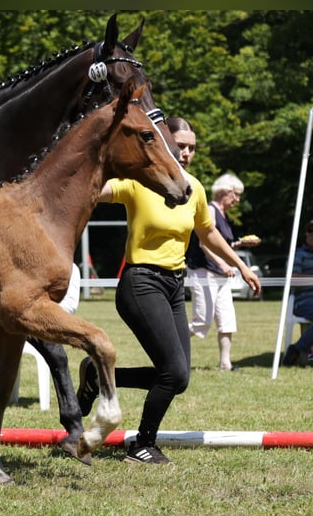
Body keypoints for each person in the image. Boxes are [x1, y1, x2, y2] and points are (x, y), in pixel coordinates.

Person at [76, 116, 261, 465]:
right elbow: (88, 190)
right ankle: (143, 445)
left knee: (179, 377)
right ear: (165, 144)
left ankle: (95, 376)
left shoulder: (194, 188)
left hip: (176, 285)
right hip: (140, 282)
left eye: (192, 146)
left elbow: (207, 234)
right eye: (181, 145)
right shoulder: (136, 182)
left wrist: (240, 265)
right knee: (173, 372)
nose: (187, 152)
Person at [0, 263, 81, 409]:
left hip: (46, 326)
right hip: (23, 321)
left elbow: (70, 306)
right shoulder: (34, 265)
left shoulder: (71, 269)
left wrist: (42, 314)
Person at [186, 173, 260, 371]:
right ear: (224, 192)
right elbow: (204, 243)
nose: (237, 200)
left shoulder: (224, 215)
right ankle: (168, 349)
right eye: (235, 195)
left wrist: (240, 243)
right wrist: (223, 264)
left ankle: (225, 364)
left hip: (220, 277)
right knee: (201, 321)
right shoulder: (210, 210)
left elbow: (222, 246)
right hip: (204, 273)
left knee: (227, 321)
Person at [282, 220, 313, 367]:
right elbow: (292, 279)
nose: (312, 234)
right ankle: (299, 349)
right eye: (310, 230)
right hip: (303, 300)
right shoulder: (299, 255)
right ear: (306, 234)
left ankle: (297, 348)